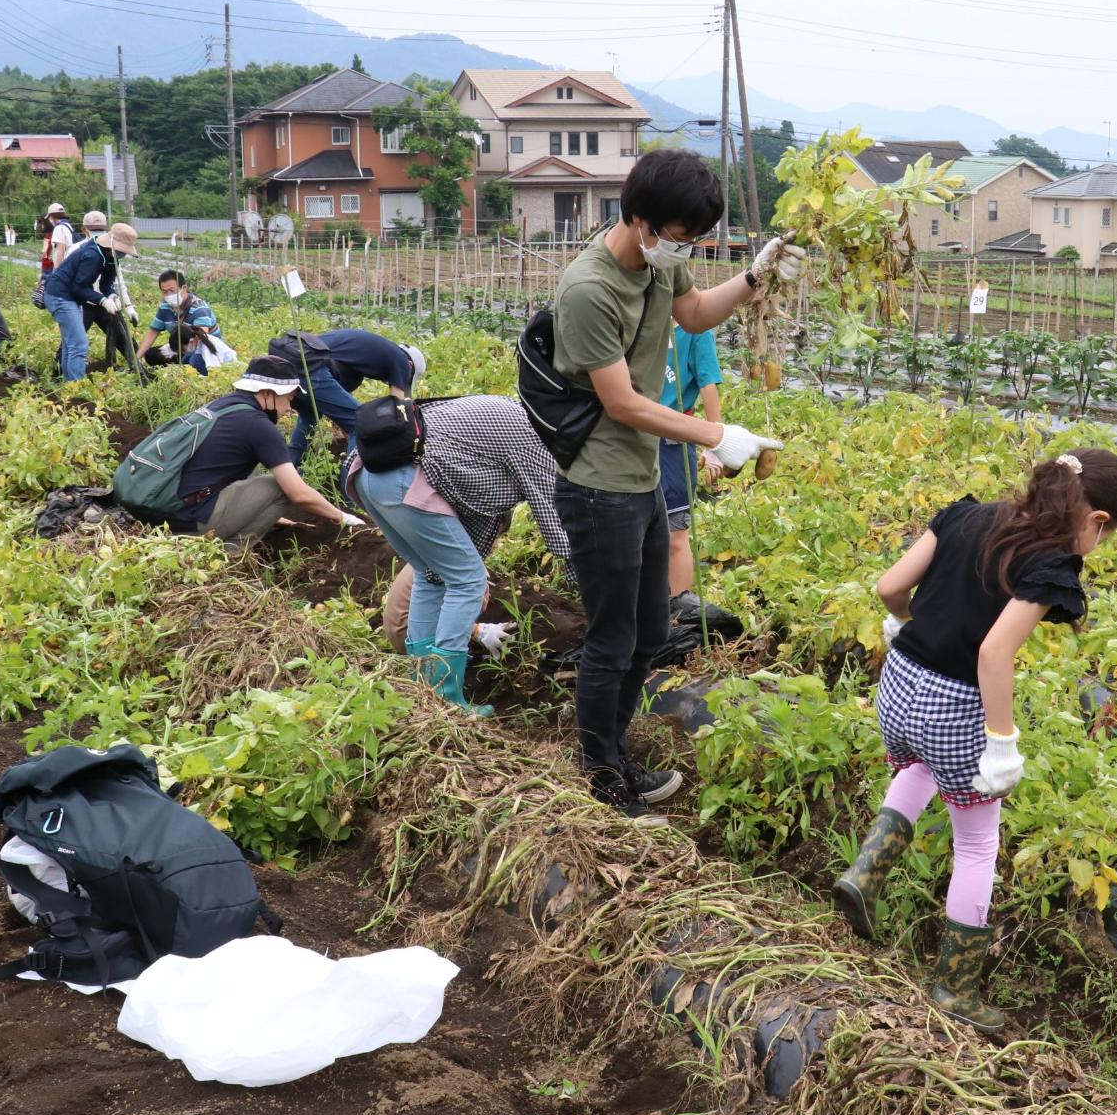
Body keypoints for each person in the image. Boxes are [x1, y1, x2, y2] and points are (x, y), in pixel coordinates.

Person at [832, 449, 1117, 1031]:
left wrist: (902, 621)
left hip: (898, 686)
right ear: (1095, 520)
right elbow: (995, 653)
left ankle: (865, 877)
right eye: (1106, 534)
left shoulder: (968, 517)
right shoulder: (1048, 564)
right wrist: (1002, 740)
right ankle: (955, 986)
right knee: (977, 844)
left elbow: (890, 584)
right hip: (955, 704)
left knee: (917, 766)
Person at [549, 147, 800, 818]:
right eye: (680, 237)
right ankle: (601, 774)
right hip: (598, 484)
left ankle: (617, 753)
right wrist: (715, 434)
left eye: (696, 239)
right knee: (610, 637)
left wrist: (753, 275)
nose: (684, 250)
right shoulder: (588, 288)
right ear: (641, 220)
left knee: (650, 627)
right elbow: (623, 402)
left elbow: (692, 314)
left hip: (640, 480)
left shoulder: (664, 259)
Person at [372, 395, 575, 709]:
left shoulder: (509, 416)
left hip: (370, 473)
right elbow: (560, 534)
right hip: (404, 479)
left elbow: (478, 507)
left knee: (432, 576)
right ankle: (449, 701)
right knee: (467, 582)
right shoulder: (538, 440)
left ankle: (425, 694)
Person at [154, 355, 363, 542]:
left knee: (250, 468)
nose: (289, 407)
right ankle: (233, 552)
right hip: (192, 523)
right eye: (289, 398)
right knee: (281, 488)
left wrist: (273, 517)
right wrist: (342, 517)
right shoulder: (258, 425)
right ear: (267, 393)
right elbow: (299, 494)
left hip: (169, 514)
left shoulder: (222, 406)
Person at [283, 329, 428, 464]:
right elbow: (397, 407)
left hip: (293, 366)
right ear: (410, 366)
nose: (403, 381)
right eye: (407, 379)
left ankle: (291, 470)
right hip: (313, 369)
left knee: (309, 418)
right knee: (361, 424)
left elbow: (341, 412)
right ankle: (350, 481)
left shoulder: (359, 359)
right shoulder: (401, 360)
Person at [659, 325, 725, 602]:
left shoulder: (695, 332)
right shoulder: (639, 316)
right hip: (632, 436)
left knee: (675, 534)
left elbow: (707, 382)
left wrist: (715, 442)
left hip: (673, 439)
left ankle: (677, 613)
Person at [47, 222, 138, 381]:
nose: (122, 254)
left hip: (71, 297)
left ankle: (68, 385)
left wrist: (113, 296)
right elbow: (79, 287)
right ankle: (76, 387)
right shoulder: (93, 255)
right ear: (111, 244)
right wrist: (102, 300)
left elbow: (105, 285)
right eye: (121, 250)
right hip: (60, 296)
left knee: (72, 345)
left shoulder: (110, 258)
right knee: (79, 344)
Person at [75, 211, 139, 371]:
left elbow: (119, 282)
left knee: (124, 339)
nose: (97, 233)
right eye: (94, 229)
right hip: (83, 304)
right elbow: (73, 284)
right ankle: (59, 374)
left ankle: (138, 369)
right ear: (84, 230)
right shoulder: (78, 250)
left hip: (106, 304)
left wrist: (128, 306)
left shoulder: (113, 252)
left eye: (100, 229)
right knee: (74, 341)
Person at [136, 270, 229, 374]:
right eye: (165, 292)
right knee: (151, 354)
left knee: (193, 361)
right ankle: (179, 367)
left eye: (172, 290)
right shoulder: (165, 307)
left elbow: (199, 340)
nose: (169, 295)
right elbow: (152, 333)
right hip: (182, 348)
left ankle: (182, 370)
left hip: (203, 350)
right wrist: (136, 359)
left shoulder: (199, 309)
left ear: (183, 288)